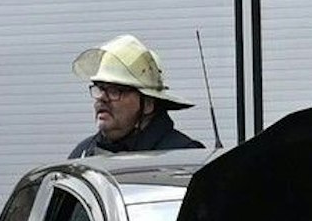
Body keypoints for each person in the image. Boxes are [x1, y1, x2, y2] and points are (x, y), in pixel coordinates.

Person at [68, 34, 207, 158]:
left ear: (147, 104)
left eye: (115, 90)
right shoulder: (83, 154)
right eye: (100, 88)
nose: (102, 98)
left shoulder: (183, 156)